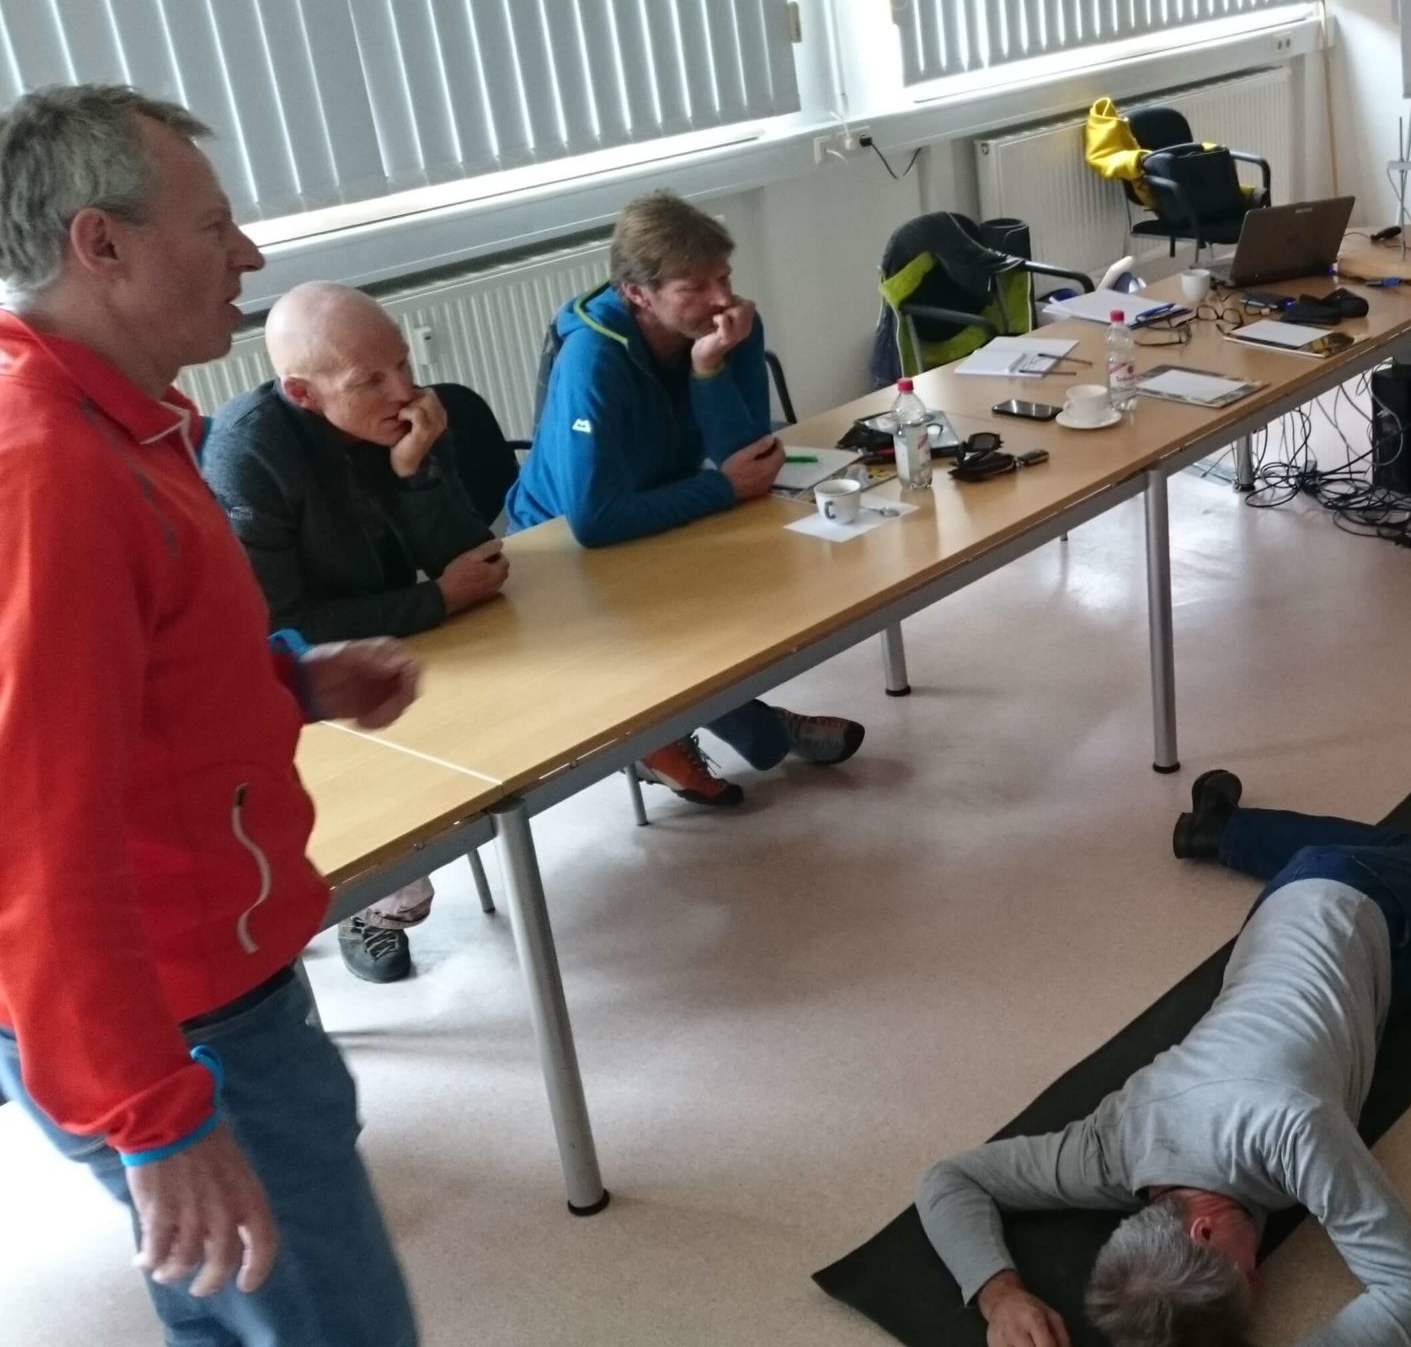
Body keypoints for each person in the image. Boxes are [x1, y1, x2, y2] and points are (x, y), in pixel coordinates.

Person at [1, 84, 423, 1345]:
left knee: (239, 1318)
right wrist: (154, 1114)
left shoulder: (113, 423)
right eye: (215, 225)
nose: (248, 254)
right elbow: (34, 832)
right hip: (186, 1014)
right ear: (101, 242)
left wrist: (287, 681)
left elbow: (120, 691)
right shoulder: (52, 474)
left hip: (197, 984)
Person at [916, 751, 1411, 1347]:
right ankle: (1228, 831)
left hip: (1342, 893)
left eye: (1248, 1278)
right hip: (1330, 962)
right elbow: (952, 1179)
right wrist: (1000, 1296)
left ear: (1202, 1230)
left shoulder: (1288, 1129)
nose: (1262, 1278)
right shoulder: (1109, 1152)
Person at [507, 189, 861, 806]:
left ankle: (700, 731)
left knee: (757, 584)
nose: (720, 299)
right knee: (679, 619)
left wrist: (709, 369)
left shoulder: (729, 326)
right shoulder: (593, 357)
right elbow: (593, 521)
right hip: (554, 546)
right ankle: (743, 732)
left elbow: (748, 456)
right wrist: (721, 488)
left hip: (655, 510)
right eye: (693, 287)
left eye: (724, 277)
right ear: (637, 293)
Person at [203, 281, 511, 985]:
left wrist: (415, 474)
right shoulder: (249, 453)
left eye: (402, 362)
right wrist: (435, 599)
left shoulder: (405, 419)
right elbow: (278, 631)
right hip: (312, 689)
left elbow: (476, 561)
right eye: (371, 379)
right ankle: (368, 903)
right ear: (303, 394)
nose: (404, 390)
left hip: (407, 643)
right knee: (403, 845)